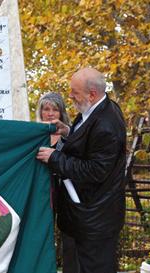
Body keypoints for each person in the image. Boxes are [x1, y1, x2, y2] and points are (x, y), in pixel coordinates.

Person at [36, 67, 126, 273]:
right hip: (89, 212)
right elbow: (89, 144)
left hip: (96, 216)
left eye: (74, 92)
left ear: (92, 94)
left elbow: (95, 170)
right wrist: (69, 131)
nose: (70, 96)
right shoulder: (96, 109)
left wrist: (55, 158)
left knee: (95, 266)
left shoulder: (106, 124)